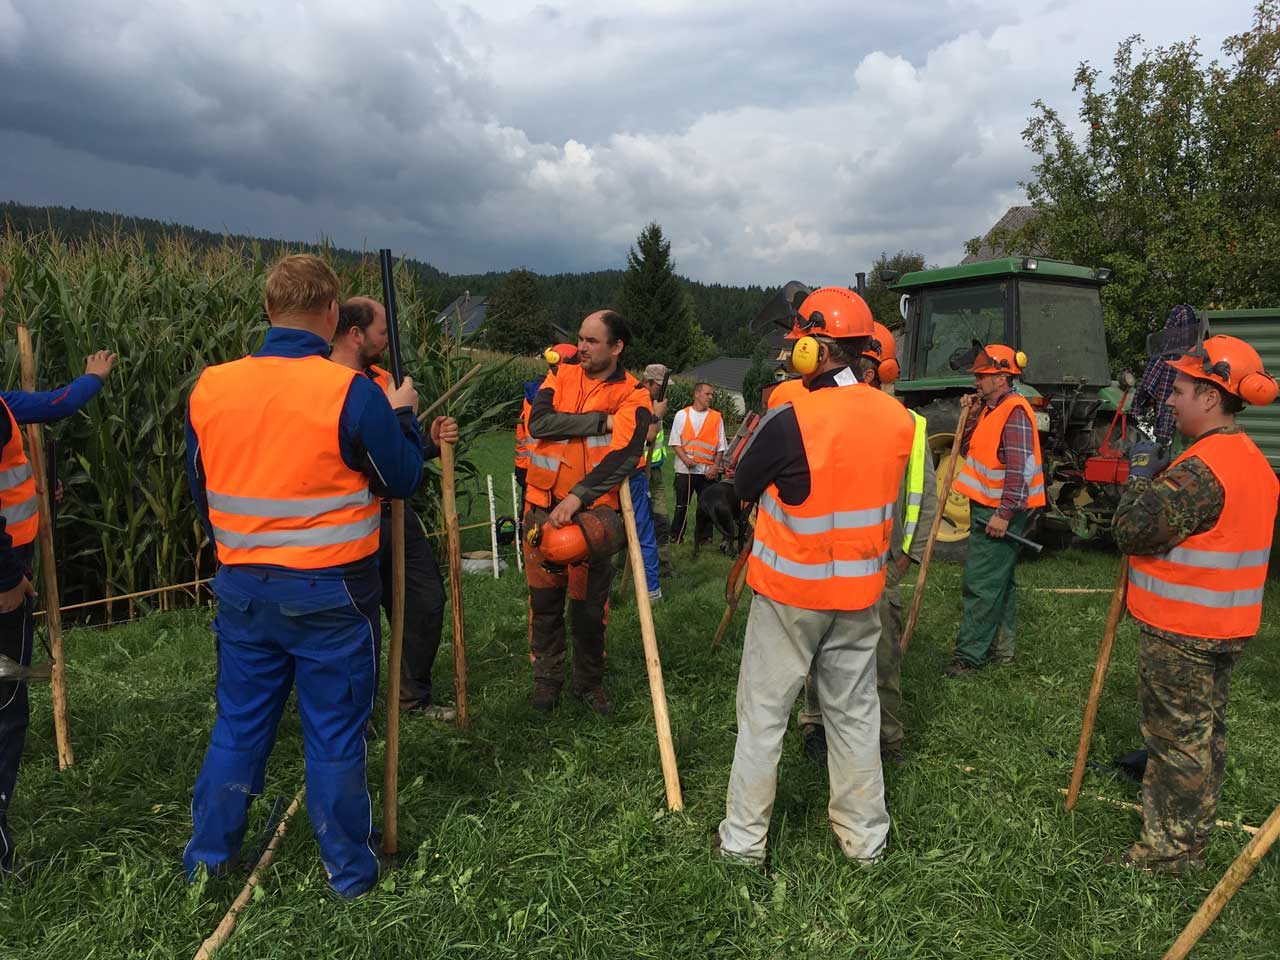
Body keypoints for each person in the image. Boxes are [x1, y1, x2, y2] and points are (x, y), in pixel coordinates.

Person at [183, 254, 423, 899]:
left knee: (238, 725)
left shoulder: (211, 386)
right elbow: (401, 479)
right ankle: (350, 875)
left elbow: (199, 485)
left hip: (242, 586)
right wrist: (402, 415)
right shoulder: (349, 392)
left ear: (267, 310)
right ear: (329, 313)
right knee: (335, 735)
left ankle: (206, 864)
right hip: (330, 593)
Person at [717, 287, 915, 864]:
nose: (789, 351)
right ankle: (865, 842)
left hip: (789, 594)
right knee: (855, 714)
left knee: (763, 717)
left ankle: (742, 844)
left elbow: (740, 488)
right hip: (859, 595)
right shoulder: (897, 418)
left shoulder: (790, 419)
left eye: (797, 341)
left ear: (818, 349)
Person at [1112, 335, 1278, 874]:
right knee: (1205, 735)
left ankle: (1169, 853)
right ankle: (1194, 831)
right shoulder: (1252, 461)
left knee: (1176, 743)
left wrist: (1140, 477)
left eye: (1181, 389)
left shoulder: (1202, 468)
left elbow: (1133, 530)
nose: (1173, 400)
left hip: (1181, 631)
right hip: (1226, 625)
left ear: (1212, 396)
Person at [0, 267, 115, 875]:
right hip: (3, 581)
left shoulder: (6, 405)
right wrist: (6, 582)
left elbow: (56, 403)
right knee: (6, 702)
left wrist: (90, 381)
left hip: (10, 566)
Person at [798, 322, 935, 767]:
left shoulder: (909, 425)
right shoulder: (816, 413)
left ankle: (886, 737)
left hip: (879, 562)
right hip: (822, 556)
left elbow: (924, 496)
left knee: (880, 656)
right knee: (818, 648)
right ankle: (816, 724)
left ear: (877, 370)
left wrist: (906, 555)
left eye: (865, 366)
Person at [332, 297, 458, 721]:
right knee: (356, 622)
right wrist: (398, 413)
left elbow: (397, 458)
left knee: (425, 601)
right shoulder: (328, 384)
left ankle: (411, 697)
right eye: (383, 333)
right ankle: (356, 717)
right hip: (350, 520)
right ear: (355, 334)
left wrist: (427, 441)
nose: (388, 341)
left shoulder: (386, 380)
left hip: (395, 512)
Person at [523, 310, 652, 714]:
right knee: (543, 604)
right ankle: (547, 680)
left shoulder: (635, 396)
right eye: (580, 338)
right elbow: (540, 423)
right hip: (541, 508)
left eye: (592, 341)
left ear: (617, 347)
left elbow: (625, 453)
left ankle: (589, 683)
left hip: (592, 516)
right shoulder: (560, 373)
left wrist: (576, 497)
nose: (581, 347)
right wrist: (599, 422)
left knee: (588, 610)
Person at [945, 344, 1045, 676]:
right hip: (986, 507)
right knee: (1000, 582)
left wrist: (1004, 513)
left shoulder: (1014, 412)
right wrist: (971, 413)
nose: (976, 380)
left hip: (997, 511)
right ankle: (1002, 653)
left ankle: (970, 658)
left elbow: (1020, 468)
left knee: (981, 583)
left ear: (1001, 378)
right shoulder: (992, 408)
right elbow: (974, 446)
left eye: (982, 376)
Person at [669, 382, 727, 542]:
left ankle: (704, 537)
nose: (711, 397)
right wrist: (686, 459)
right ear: (697, 394)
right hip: (685, 470)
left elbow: (721, 446)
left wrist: (715, 467)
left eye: (712, 394)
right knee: (681, 506)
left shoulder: (716, 417)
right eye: (707, 394)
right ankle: (676, 535)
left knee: (707, 506)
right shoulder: (682, 415)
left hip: (707, 472)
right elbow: (675, 442)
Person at [641, 364, 672, 550]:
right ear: (647, 382)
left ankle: (663, 562)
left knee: (660, 519)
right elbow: (648, 435)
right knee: (636, 519)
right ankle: (627, 560)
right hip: (638, 471)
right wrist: (657, 416)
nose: (662, 390)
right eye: (659, 386)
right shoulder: (636, 402)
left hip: (655, 468)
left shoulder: (655, 402)